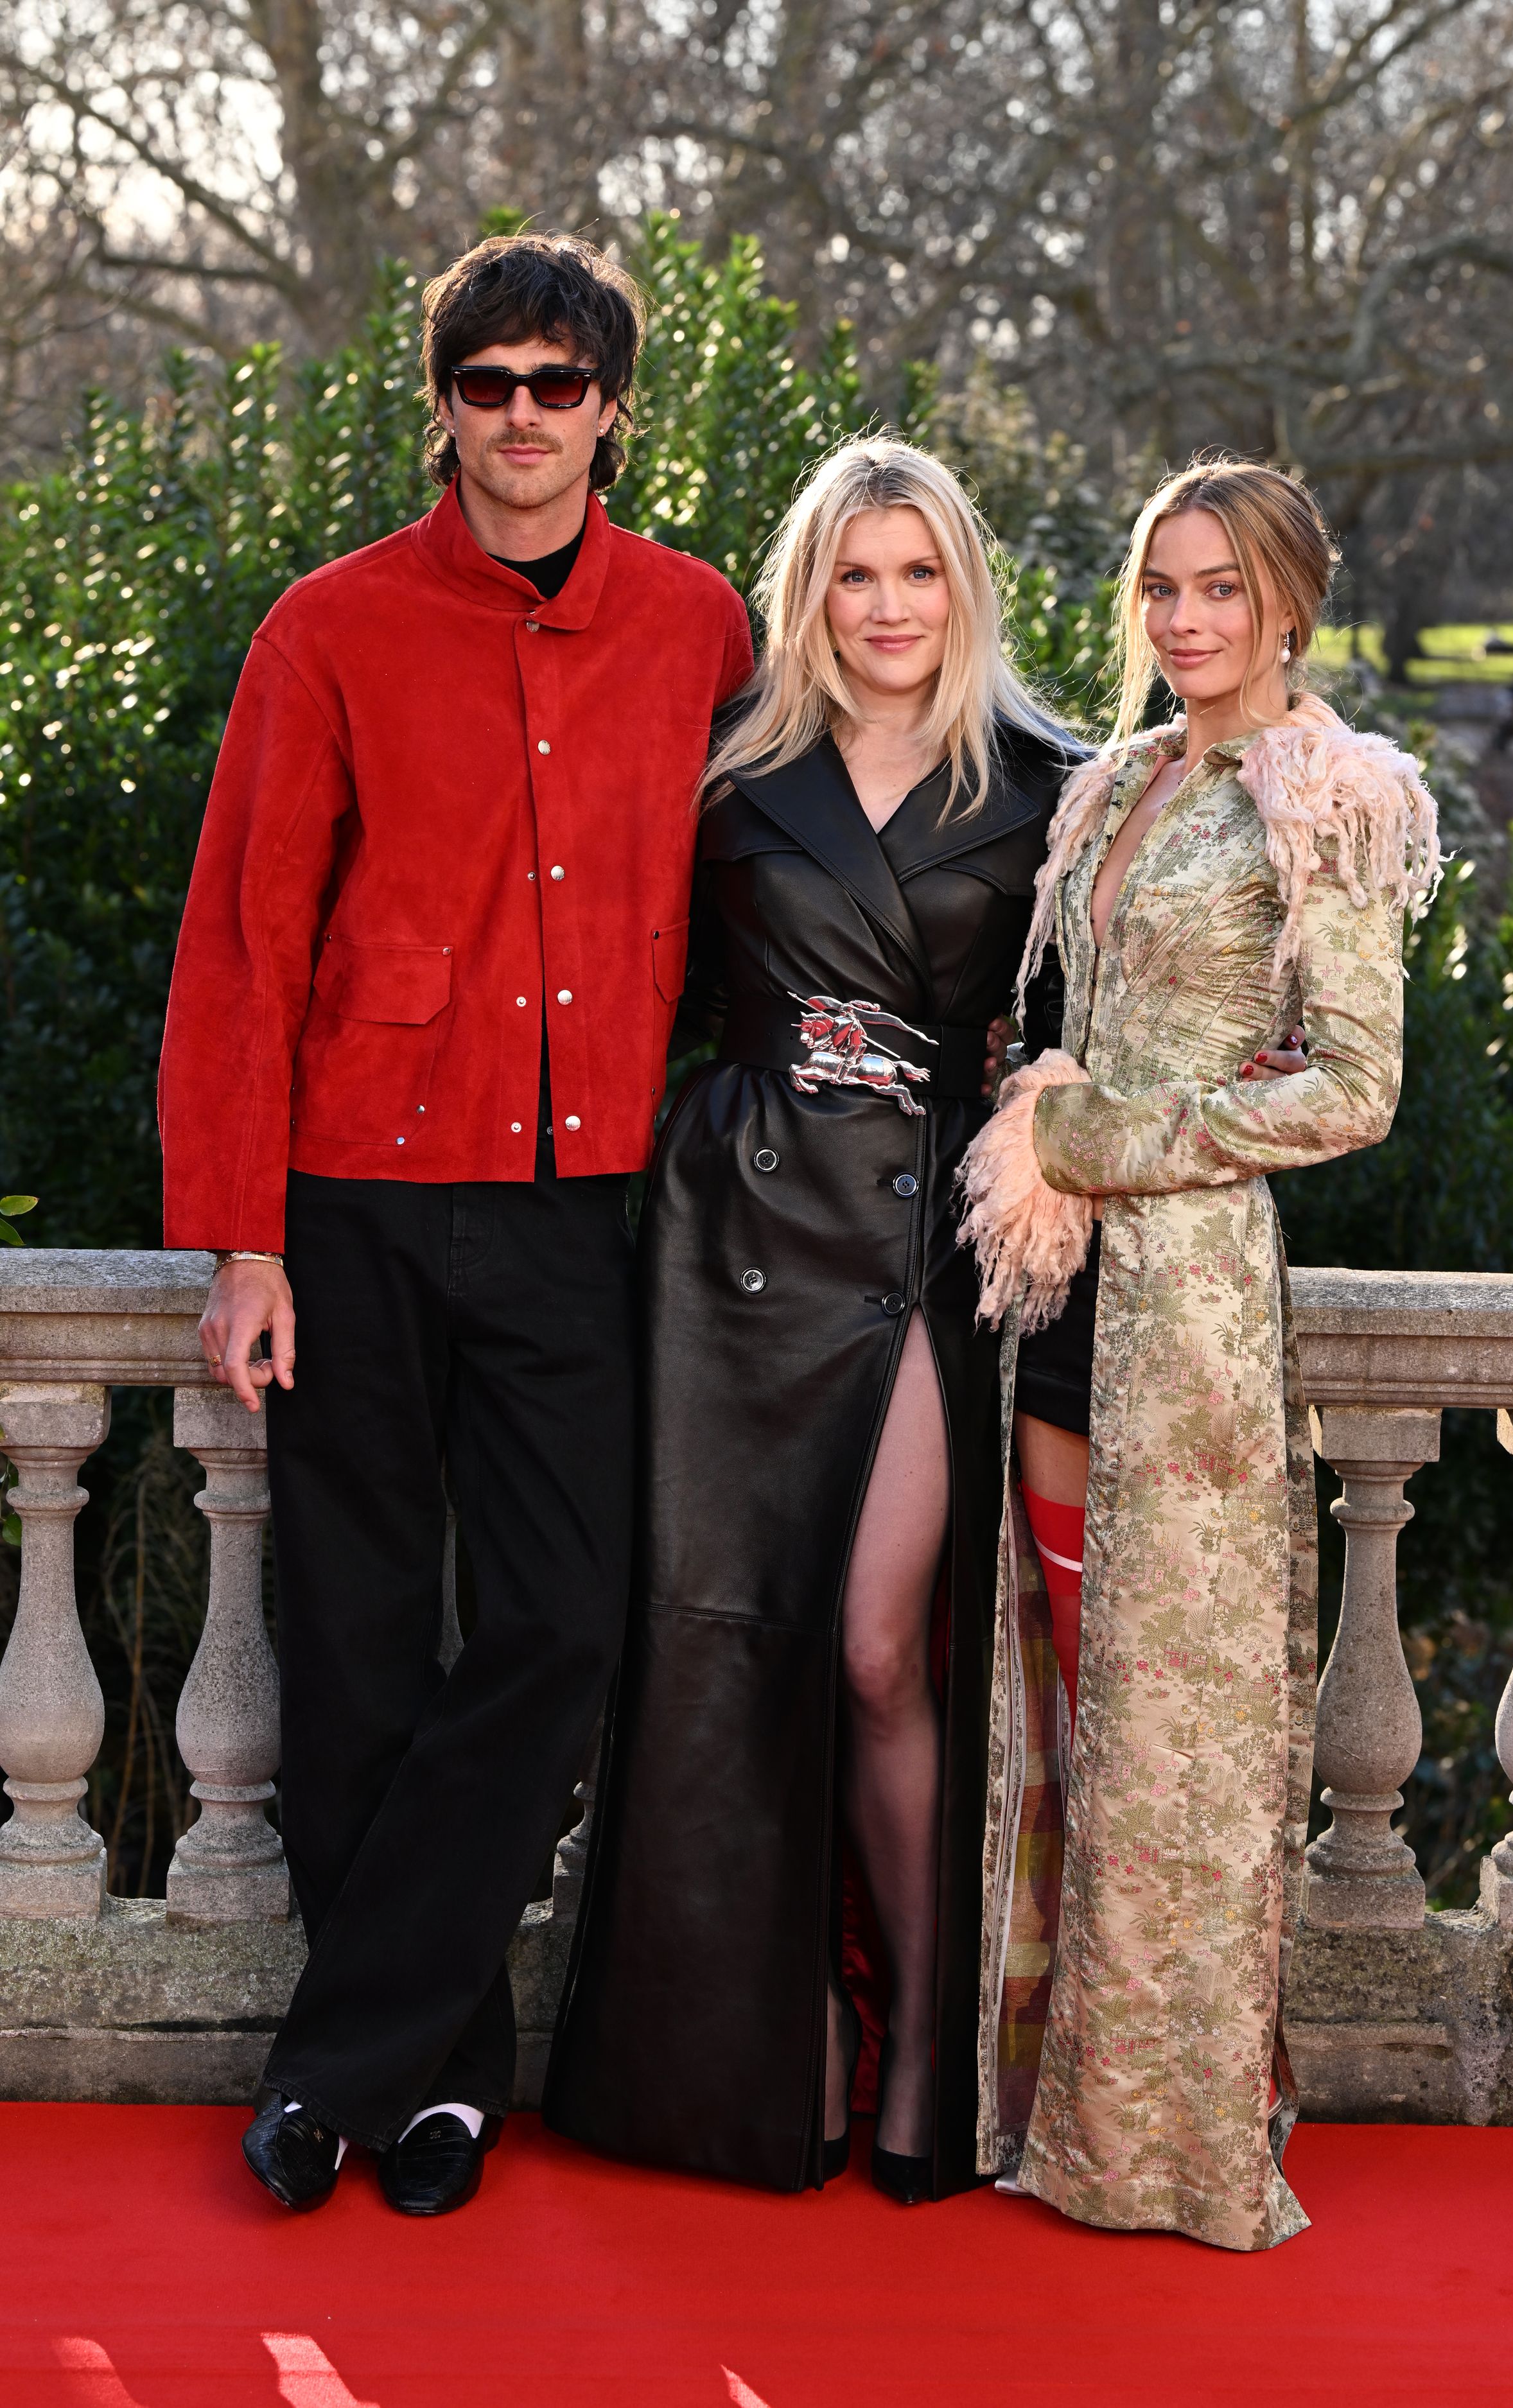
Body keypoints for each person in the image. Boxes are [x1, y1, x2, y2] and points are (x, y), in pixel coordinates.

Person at [157, 232, 753, 2216]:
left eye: (556, 386)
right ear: (443, 403)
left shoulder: (698, 627)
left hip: (583, 1211)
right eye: (486, 383)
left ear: (611, 410)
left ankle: (330, 2069)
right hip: (355, 1203)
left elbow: (802, 851)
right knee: (349, 1640)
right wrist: (242, 1235)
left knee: (563, 1621)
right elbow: (245, 943)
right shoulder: (327, 628)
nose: (520, 418)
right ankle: (439, 2090)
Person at [541, 439, 1076, 2203]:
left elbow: (1099, 1032)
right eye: (856, 574)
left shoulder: (1054, 785)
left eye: (918, 571)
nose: (888, 607)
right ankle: (762, 2056)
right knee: (721, 1645)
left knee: (868, 1646)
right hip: (734, 1240)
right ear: (812, 594)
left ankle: (920, 2031)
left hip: (921, 1255)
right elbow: (622, 972)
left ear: (962, 586)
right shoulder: (728, 769)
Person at [958, 457, 1440, 2251]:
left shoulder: (1332, 792)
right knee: (1068, 1703)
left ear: (1289, 603)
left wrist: (1105, 1136)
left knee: (1179, 1727)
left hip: (1193, 1310)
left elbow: (1354, 1088)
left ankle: (1165, 2139)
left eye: (1221, 587)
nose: (1184, 619)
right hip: (1052, 1300)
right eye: (1161, 586)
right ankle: (1048, 2099)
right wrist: (1035, 1099)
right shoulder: (1113, 783)